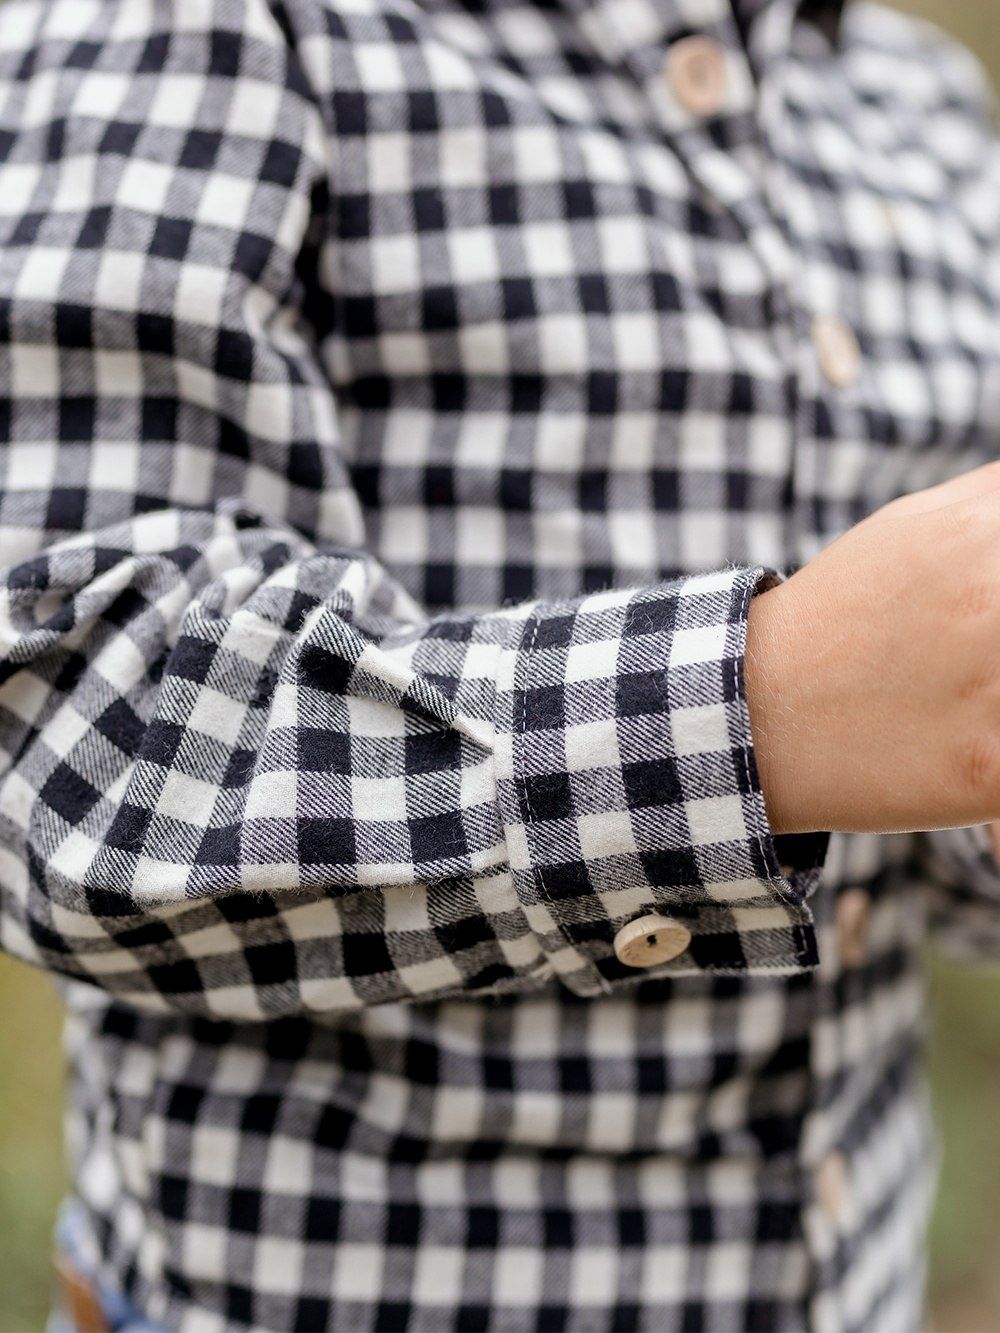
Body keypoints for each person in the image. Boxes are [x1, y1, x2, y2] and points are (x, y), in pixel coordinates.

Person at [0, 0, 998, 1327]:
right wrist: (767, 709)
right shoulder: (213, 28)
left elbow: (941, 791)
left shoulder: (915, 99)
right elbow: (75, 744)